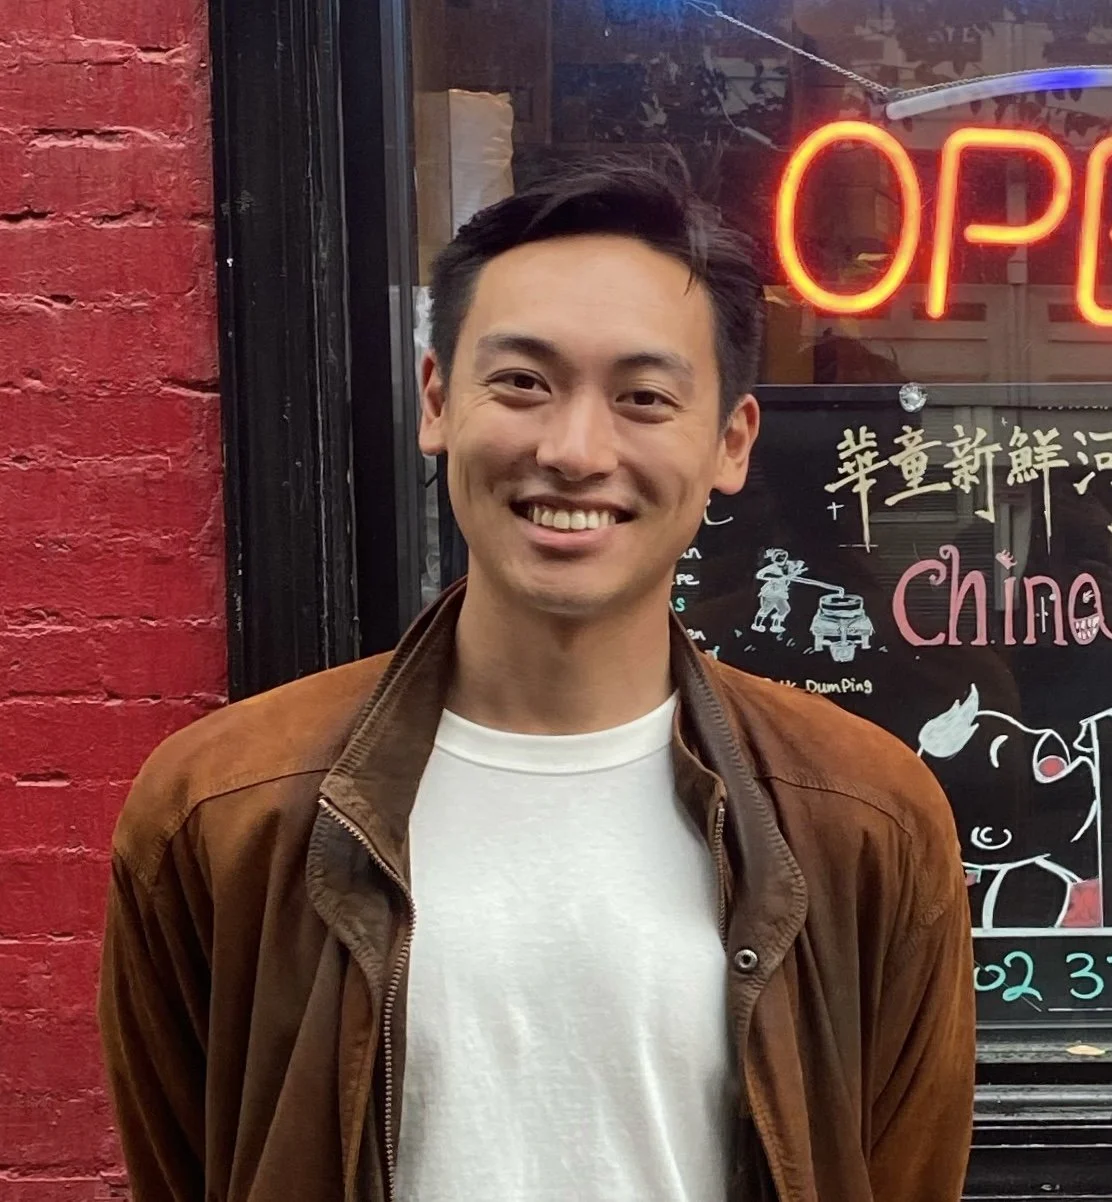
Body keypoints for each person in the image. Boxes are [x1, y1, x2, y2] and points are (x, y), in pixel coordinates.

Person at [98, 161, 975, 1202]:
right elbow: (187, 1161)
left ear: (728, 443)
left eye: (643, 397)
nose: (572, 449)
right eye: (521, 382)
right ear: (437, 400)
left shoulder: (861, 814)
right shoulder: (221, 807)